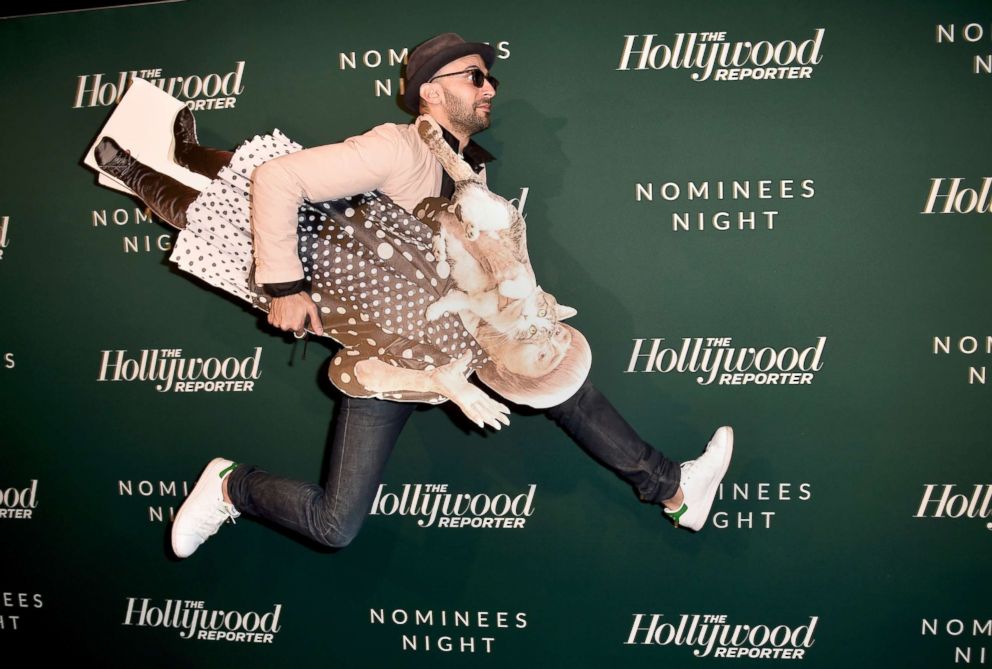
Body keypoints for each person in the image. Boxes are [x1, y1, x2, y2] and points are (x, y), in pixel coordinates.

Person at [95, 33, 733, 558]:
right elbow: (276, 176)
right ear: (430, 91)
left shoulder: (466, 170)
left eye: (490, 80)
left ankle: (672, 487)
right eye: (473, 77)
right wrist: (284, 286)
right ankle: (233, 487)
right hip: (371, 331)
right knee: (335, 524)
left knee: (553, 378)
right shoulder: (397, 147)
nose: (488, 89)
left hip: (431, 345)